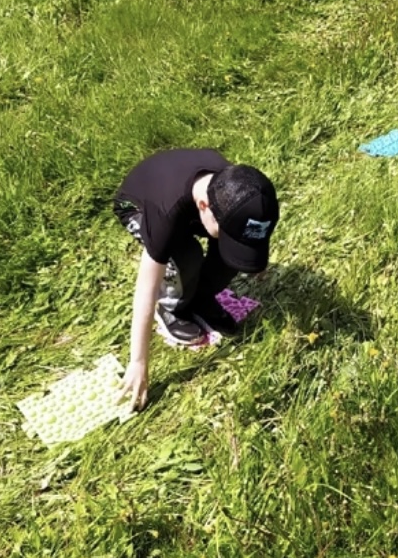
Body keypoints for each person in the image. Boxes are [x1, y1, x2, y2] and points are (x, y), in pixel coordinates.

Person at [113, 149, 279, 411]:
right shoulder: (164, 211)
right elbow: (145, 289)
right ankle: (172, 310)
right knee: (186, 255)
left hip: (192, 207)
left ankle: (200, 299)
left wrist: (246, 254)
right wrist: (138, 363)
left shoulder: (237, 192)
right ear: (204, 207)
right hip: (137, 205)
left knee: (225, 255)